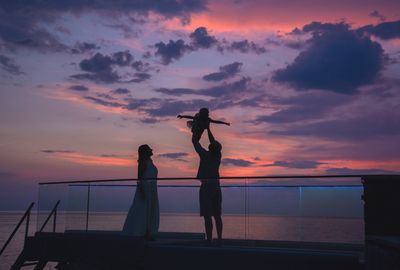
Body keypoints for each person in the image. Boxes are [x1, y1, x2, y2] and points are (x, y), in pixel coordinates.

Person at [192, 125, 223, 245]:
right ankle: (219, 238)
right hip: (216, 186)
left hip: (206, 186)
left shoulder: (205, 155)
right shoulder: (217, 156)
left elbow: (195, 143)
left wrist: (203, 129)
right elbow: (213, 142)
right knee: (217, 215)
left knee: (207, 216)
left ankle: (209, 239)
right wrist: (208, 129)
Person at [123, 144, 159, 240]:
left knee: (150, 210)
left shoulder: (150, 162)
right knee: (143, 210)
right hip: (145, 189)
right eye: (148, 149)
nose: (151, 150)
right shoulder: (143, 163)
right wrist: (142, 191)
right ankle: (142, 231)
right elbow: (139, 179)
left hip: (152, 189)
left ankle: (148, 232)